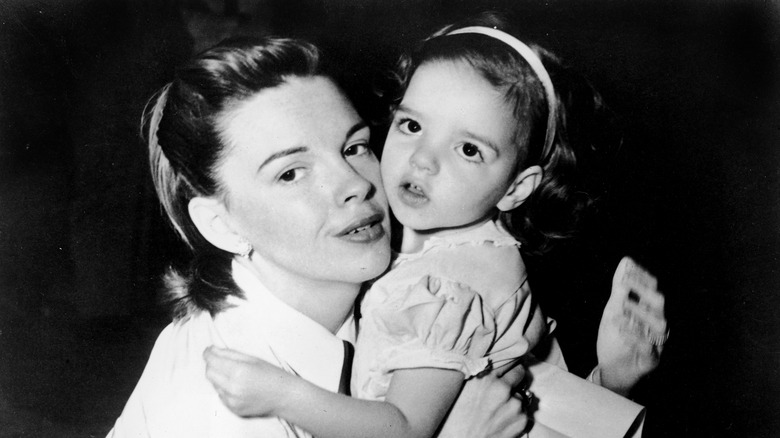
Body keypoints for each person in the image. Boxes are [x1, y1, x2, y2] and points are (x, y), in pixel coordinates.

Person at [201, 13, 668, 438]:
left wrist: (283, 395)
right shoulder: (456, 242)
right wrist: (611, 383)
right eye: (411, 126)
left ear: (516, 188)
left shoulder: (449, 287)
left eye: (468, 149)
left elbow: (402, 429)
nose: (423, 160)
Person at [106, 35, 530, 438]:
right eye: (290, 173)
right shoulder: (223, 410)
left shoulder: (396, 292)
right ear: (221, 225)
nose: (354, 184)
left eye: (354, 148)